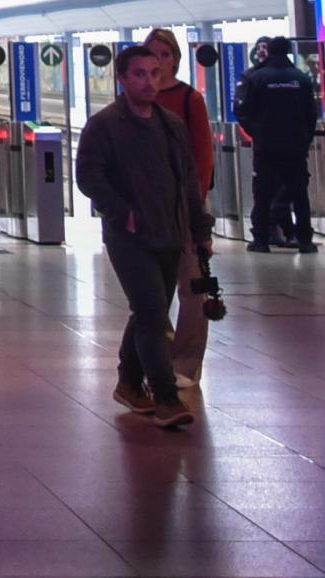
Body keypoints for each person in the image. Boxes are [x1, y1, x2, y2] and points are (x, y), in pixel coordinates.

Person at [76, 44, 210, 431]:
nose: (149, 81)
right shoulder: (104, 125)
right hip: (130, 236)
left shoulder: (171, 124)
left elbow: (187, 183)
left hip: (170, 233)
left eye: (154, 73)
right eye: (140, 74)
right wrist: (124, 214)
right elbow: (89, 177)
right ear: (122, 79)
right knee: (153, 313)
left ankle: (129, 382)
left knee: (148, 312)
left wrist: (199, 232)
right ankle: (165, 396)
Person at [142, 29, 220, 384]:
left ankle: (187, 363)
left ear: (175, 58)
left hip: (186, 205)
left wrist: (196, 206)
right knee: (152, 290)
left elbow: (203, 155)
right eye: (152, 54)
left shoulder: (190, 99)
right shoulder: (136, 100)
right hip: (147, 206)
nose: (158, 60)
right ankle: (158, 360)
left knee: (192, 286)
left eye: (165, 53)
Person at [233, 36, 323, 253]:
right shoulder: (301, 79)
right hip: (295, 146)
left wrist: (258, 132)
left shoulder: (258, 78)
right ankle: (305, 240)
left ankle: (261, 240)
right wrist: (304, 138)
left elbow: (243, 110)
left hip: (266, 146)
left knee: (263, 194)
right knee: (299, 194)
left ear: (270, 52)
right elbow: (311, 115)